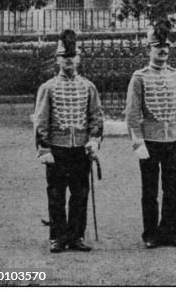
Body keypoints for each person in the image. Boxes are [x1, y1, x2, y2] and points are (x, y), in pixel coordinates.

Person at [124, 20, 176, 249]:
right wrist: (138, 143)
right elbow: (132, 114)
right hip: (150, 141)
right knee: (150, 190)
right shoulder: (139, 77)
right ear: (149, 49)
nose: (162, 50)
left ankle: (170, 232)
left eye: (165, 46)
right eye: (157, 46)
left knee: (172, 189)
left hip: (173, 139)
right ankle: (151, 234)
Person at [33, 30, 103, 253]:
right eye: (64, 57)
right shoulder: (48, 87)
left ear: (79, 59)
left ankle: (76, 236)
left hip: (80, 149)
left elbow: (96, 117)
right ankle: (57, 236)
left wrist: (94, 140)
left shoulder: (88, 87)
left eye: (72, 56)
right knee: (56, 194)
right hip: (57, 150)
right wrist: (44, 148)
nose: (68, 61)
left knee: (80, 194)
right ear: (57, 60)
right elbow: (41, 121)